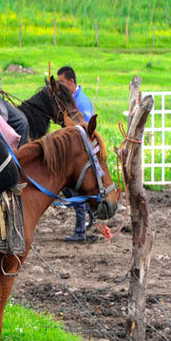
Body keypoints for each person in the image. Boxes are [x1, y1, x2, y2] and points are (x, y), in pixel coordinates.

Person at [57, 66, 95, 243]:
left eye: (62, 83)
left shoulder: (82, 103)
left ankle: (80, 230)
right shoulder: (73, 100)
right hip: (74, 154)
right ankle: (89, 216)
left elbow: (85, 132)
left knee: (73, 189)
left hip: (80, 155)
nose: (60, 87)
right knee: (66, 188)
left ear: (71, 82)